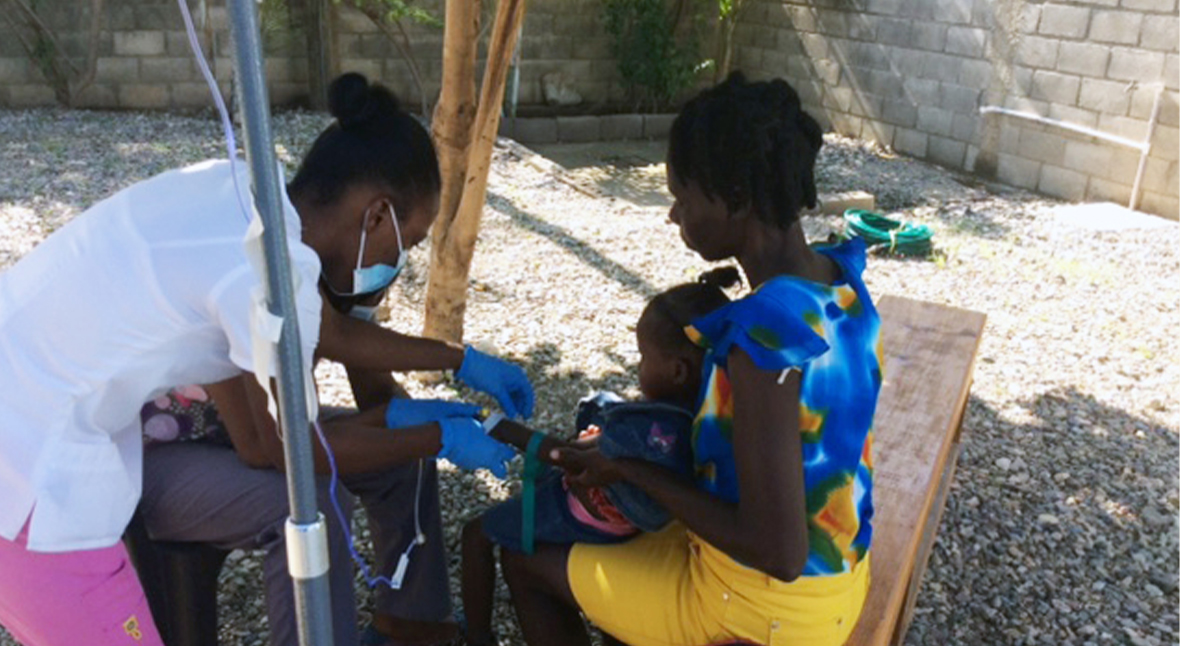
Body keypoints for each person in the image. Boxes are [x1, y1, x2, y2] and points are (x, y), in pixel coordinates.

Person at [0, 72, 529, 646]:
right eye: (409, 243)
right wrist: (436, 438)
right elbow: (284, 449)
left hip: (47, 435)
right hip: (33, 481)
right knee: (311, 508)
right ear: (377, 215)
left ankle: (411, 628)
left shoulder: (250, 206)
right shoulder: (257, 269)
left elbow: (331, 333)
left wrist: (460, 360)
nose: (400, 262)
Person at [497, 72, 884, 646]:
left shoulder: (762, 338)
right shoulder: (839, 280)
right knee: (627, 542)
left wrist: (628, 468)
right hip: (839, 585)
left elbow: (778, 551)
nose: (673, 216)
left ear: (736, 200)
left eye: (681, 198)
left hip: (760, 613)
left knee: (525, 558)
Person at [458, 268, 741, 646]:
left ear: (677, 371)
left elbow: (565, 456)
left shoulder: (646, 431)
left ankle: (476, 635)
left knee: (477, 534)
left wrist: (493, 424)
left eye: (643, 358)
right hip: (644, 520)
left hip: (590, 514)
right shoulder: (696, 418)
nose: (638, 367)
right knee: (600, 405)